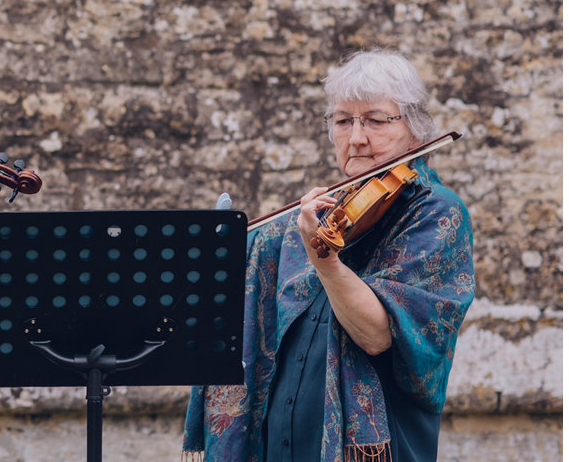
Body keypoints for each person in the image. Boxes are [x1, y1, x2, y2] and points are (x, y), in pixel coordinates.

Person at [182, 50, 475, 462]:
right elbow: (236, 293)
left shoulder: (434, 213)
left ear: (416, 129)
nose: (356, 137)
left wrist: (324, 260)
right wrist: (214, 252)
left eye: (375, 119)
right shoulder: (308, 222)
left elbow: (375, 334)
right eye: (342, 121)